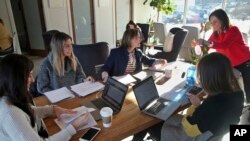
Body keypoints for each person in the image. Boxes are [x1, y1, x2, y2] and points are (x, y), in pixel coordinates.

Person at [133, 53, 244, 141]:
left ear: (210, 79)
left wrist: (195, 105)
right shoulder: (238, 94)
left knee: (146, 123)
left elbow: (189, 128)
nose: (199, 79)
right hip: (212, 132)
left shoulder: (211, 105)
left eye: (201, 76)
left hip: (188, 136)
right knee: (163, 113)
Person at [0, 54, 90, 141]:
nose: (33, 80)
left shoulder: (11, 97)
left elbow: (29, 110)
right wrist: (74, 126)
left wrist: (53, 109)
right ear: (16, 79)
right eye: (29, 75)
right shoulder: (10, 114)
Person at [192, 9, 250, 104]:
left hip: (245, 62)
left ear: (223, 20)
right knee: (230, 88)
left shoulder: (233, 30)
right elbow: (207, 46)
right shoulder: (215, 33)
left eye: (215, 21)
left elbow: (224, 45)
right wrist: (198, 46)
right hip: (230, 64)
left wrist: (206, 43)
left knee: (249, 90)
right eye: (211, 23)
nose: (213, 24)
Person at [101, 29, 167, 82]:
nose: (140, 39)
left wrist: (159, 61)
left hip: (134, 82)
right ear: (129, 39)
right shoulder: (115, 53)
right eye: (136, 38)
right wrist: (105, 74)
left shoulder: (138, 52)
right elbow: (105, 67)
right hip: (120, 85)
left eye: (139, 37)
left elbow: (149, 60)